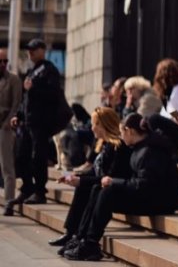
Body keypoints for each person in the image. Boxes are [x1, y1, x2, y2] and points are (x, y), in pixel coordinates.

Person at [61, 113, 178, 262]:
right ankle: (82, 238)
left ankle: (91, 244)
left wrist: (114, 182)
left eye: (122, 132)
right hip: (152, 195)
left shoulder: (150, 151)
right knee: (98, 188)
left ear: (129, 131)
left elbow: (144, 185)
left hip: (163, 201)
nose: (120, 136)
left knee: (108, 192)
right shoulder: (141, 147)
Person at [49, 107, 132, 256]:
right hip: (104, 185)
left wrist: (80, 180)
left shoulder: (118, 146)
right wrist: (73, 177)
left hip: (114, 190)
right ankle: (71, 233)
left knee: (89, 187)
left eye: (95, 124)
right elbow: (95, 171)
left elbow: (110, 177)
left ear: (104, 124)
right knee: (83, 186)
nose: (92, 128)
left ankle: (81, 237)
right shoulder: (103, 144)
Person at [12, 38, 72, 206]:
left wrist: (34, 88)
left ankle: (39, 191)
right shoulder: (32, 71)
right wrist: (19, 115)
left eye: (34, 49)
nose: (30, 52)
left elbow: (52, 94)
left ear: (43, 51)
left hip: (41, 122)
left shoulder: (49, 70)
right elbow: (26, 99)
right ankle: (27, 188)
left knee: (38, 157)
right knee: (21, 157)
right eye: (29, 49)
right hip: (28, 122)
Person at [0, 47, 22, 216]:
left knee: (7, 167)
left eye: (5, 61)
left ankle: (9, 202)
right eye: (0, 61)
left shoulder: (13, 80)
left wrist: (8, 122)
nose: (3, 64)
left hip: (5, 127)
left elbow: (16, 104)